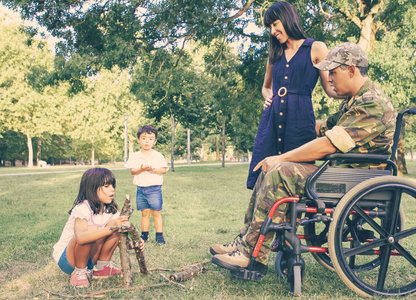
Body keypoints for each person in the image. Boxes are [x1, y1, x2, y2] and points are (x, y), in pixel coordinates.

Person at [211, 42, 397, 273]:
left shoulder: (372, 103)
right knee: (269, 168)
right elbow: (320, 128)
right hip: (346, 174)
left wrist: (282, 157)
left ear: (351, 70)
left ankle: (252, 253)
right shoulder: (355, 101)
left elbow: (327, 144)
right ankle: (246, 239)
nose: (328, 79)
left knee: (281, 171)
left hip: (357, 180)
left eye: (333, 72)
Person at [247, 1, 339, 190]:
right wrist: (268, 98)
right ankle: (268, 218)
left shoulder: (316, 48)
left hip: (301, 118)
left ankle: (297, 219)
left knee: (299, 176)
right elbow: (266, 87)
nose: (272, 31)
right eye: (270, 27)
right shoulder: (275, 52)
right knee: (266, 174)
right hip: (272, 119)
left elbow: (330, 87)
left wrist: (353, 97)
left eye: (275, 24)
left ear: (287, 19)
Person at [52, 168, 138, 287]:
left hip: (91, 258)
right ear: (92, 188)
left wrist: (134, 243)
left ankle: (102, 267)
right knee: (92, 230)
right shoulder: (83, 208)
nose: (112, 189)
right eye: (106, 186)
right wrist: (110, 228)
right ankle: (79, 272)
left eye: (113, 185)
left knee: (116, 226)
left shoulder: (111, 210)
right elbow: (81, 238)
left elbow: (119, 235)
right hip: (69, 260)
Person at [125, 125, 168, 245]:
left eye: (150, 139)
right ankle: (144, 235)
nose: (147, 141)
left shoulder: (158, 155)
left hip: (154, 189)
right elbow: (132, 171)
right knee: (144, 213)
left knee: (156, 212)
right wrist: (142, 169)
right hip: (141, 189)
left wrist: (152, 169)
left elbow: (163, 170)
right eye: (143, 138)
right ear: (138, 140)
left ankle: (159, 236)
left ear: (154, 141)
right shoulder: (135, 156)